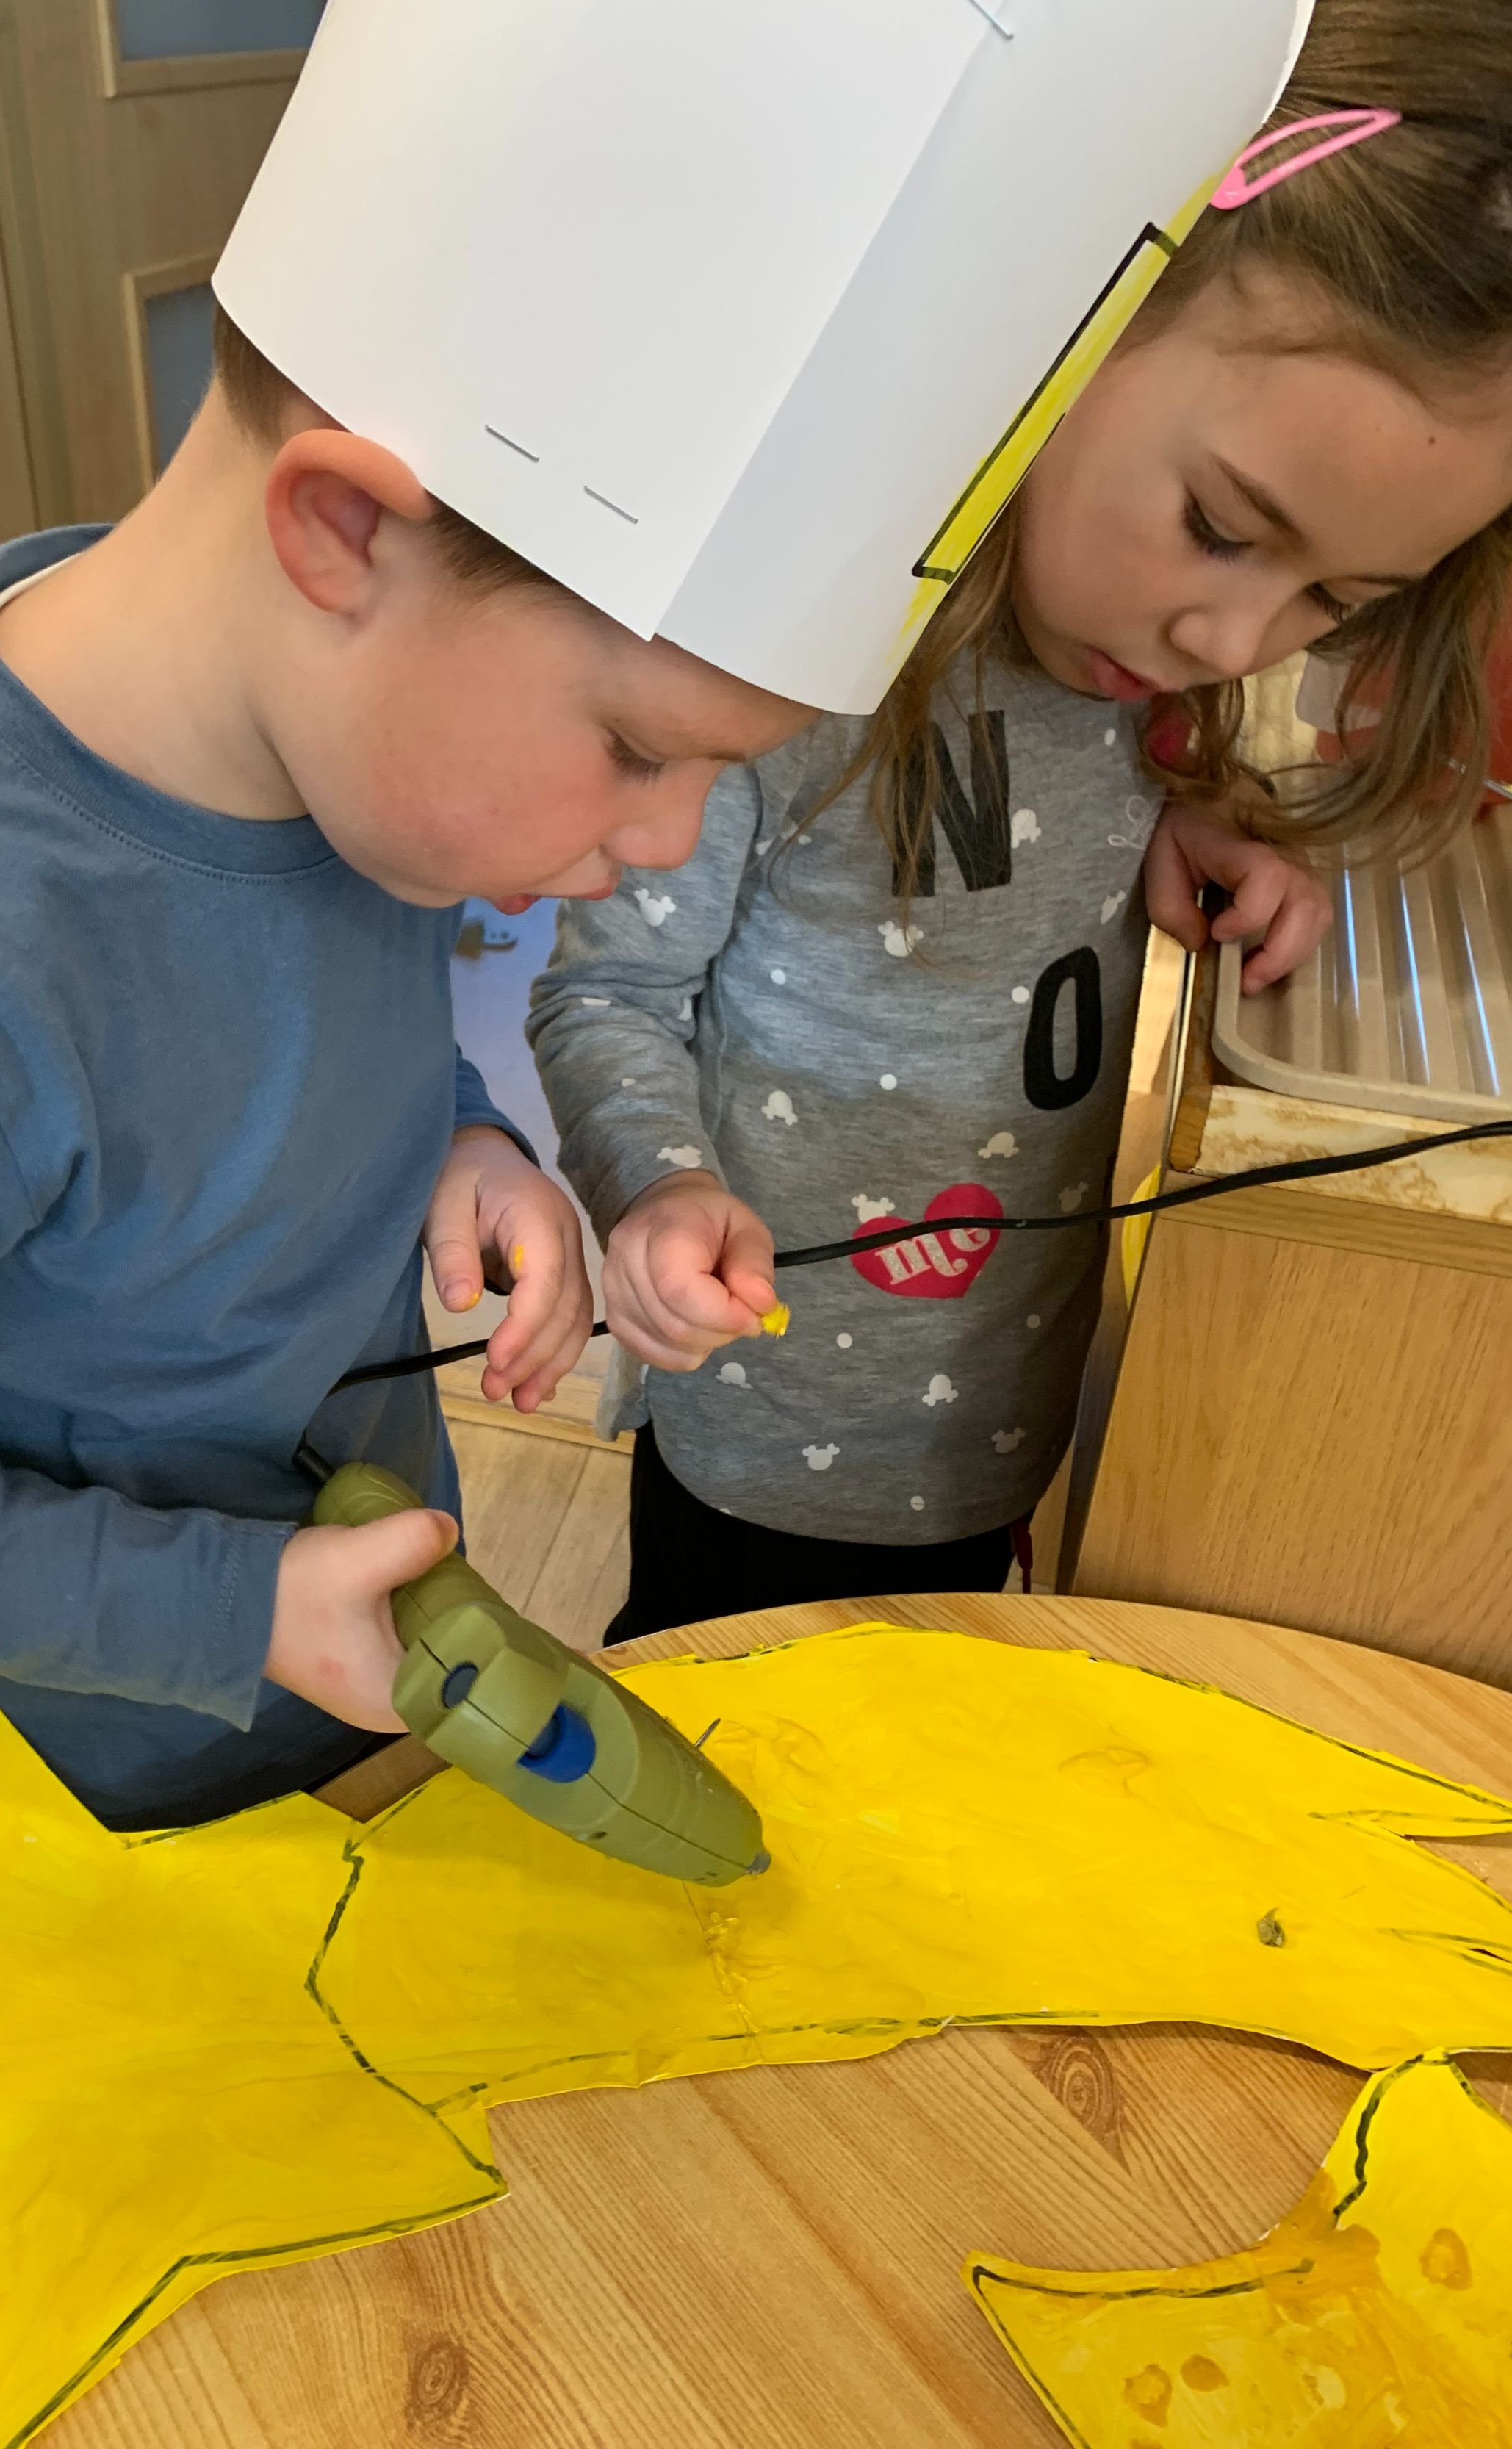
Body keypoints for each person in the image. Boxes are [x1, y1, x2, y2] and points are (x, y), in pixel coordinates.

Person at [0, 312, 813, 1826]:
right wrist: (232, 1609)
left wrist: (462, 1139)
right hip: (59, 1777)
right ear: (339, 528)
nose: (668, 842)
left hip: (345, 1679)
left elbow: (278, 1033)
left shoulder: (338, 757)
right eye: (633, 746)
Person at [530, 0, 1512, 1643]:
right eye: (1218, 528)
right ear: (1067, 317)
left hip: (1007, 1405)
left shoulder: (1128, 672)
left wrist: (1179, 825)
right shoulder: (781, 683)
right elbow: (604, 991)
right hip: (767, 1430)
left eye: (1332, 597)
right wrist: (652, 1193)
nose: (1230, 638)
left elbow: (1040, 835)